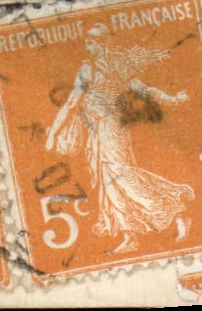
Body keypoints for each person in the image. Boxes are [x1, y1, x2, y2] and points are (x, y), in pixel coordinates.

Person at [45, 25, 192, 254]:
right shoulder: (93, 68)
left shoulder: (110, 68)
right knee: (109, 183)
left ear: (103, 43)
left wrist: (171, 98)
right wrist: (54, 132)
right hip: (99, 132)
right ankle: (129, 234)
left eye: (92, 42)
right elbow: (72, 102)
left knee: (121, 176)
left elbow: (143, 89)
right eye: (86, 42)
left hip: (111, 128)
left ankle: (172, 209)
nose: (87, 46)